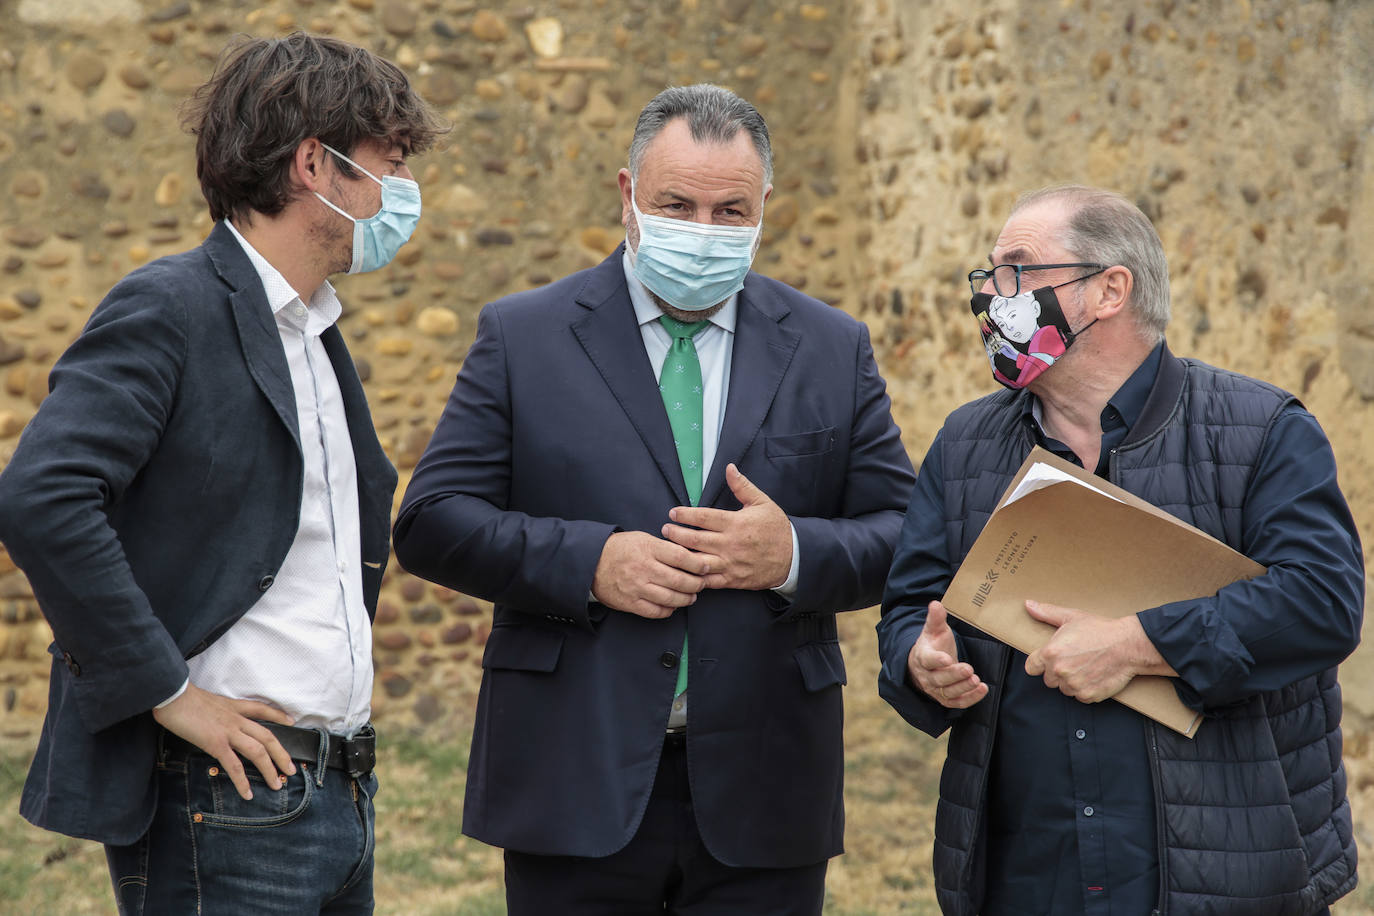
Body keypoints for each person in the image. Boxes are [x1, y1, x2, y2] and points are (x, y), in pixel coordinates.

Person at [393, 83, 916, 915]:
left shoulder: (830, 346)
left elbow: (905, 534)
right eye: (677, 204)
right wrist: (588, 561)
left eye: (729, 210)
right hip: (574, 774)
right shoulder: (523, 335)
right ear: (627, 196)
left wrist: (794, 556)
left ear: (765, 208)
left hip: (766, 784)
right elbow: (431, 522)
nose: (702, 232)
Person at [0, 32, 444, 915]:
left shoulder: (315, 331)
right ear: (314, 164)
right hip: (222, 800)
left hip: (337, 792)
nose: (402, 195)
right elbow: (42, 495)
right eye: (387, 167)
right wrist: (167, 692)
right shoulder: (171, 306)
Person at [877, 184, 1364, 916]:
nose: (990, 297)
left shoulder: (1263, 428)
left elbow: (1322, 603)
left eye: (1018, 269)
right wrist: (920, 663)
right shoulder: (964, 443)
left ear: (1109, 290)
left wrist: (1141, 644)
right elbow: (909, 611)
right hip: (1028, 877)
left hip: (1229, 879)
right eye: (990, 272)